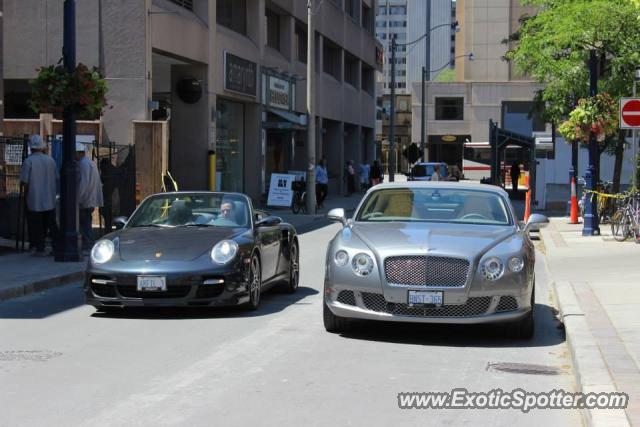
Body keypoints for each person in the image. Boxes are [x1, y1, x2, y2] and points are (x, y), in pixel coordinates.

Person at [19, 135, 59, 256]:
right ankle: (57, 247)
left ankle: (40, 248)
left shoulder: (28, 161)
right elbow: (56, 177)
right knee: (52, 225)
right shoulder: (50, 160)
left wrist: (25, 196)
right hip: (50, 199)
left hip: (34, 200)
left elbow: (24, 182)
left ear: (31, 148)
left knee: (37, 226)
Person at [76, 143, 104, 254]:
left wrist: (77, 199)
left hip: (85, 200)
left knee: (84, 223)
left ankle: (87, 245)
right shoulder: (90, 163)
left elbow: (83, 184)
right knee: (87, 222)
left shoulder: (83, 164)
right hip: (90, 199)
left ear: (78, 153)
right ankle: (87, 244)